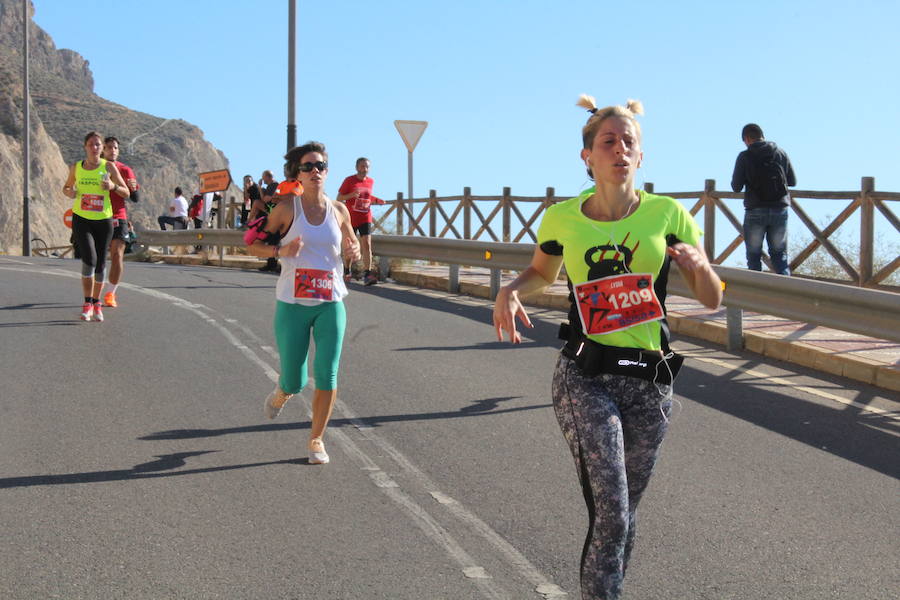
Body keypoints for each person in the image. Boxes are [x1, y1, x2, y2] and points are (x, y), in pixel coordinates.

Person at [493, 95, 722, 600]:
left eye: (629, 143)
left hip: (650, 383)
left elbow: (710, 298)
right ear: (588, 157)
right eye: (609, 142)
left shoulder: (668, 214)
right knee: (613, 510)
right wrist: (510, 290)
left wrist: (700, 270)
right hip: (586, 377)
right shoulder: (561, 219)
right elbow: (542, 272)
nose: (620, 149)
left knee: (623, 515)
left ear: (642, 157)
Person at [245, 141, 360, 465]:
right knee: (295, 380)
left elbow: (355, 251)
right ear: (297, 173)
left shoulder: (339, 210)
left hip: (330, 301)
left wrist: (355, 255)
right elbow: (254, 246)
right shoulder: (285, 209)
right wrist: (281, 251)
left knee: (327, 373)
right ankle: (282, 392)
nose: (315, 172)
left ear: (327, 171)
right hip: (292, 304)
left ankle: (316, 439)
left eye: (320, 166)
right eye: (308, 167)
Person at [61, 131, 130, 322]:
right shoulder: (76, 167)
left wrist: (113, 187)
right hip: (82, 219)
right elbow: (65, 188)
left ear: (102, 148)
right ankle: (86, 303)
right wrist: (71, 192)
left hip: (104, 221)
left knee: (100, 263)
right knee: (89, 259)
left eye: (98, 145)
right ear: (85, 147)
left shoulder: (108, 167)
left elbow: (126, 192)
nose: (95, 148)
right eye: (91, 144)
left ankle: (96, 302)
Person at [730, 123, 797, 275]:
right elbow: (792, 181)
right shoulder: (780, 153)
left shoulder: (745, 156)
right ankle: (785, 294)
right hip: (780, 209)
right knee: (780, 256)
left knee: (754, 256)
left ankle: (755, 295)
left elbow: (736, 186)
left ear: (747, 139)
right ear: (762, 135)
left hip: (755, 210)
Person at [99, 136, 140, 308]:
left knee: (117, 254)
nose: (112, 150)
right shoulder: (95, 167)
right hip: (98, 216)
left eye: (115, 147)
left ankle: (110, 294)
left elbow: (135, 198)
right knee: (98, 258)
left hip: (119, 216)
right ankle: (94, 292)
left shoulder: (125, 169)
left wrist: (133, 187)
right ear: (103, 150)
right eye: (109, 147)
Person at [337, 157, 385, 285]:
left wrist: (377, 200)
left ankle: (367, 274)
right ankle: (347, 270)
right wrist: (351, 195)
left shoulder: (370, 181)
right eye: (363, 166)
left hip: (365, 216)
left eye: (367, 167)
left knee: (367, 244)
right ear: (357, 167)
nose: (365, 169)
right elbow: (339, 198)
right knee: (349, 245)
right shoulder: (349, 180)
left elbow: (368, 196)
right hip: (351, 218)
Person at [250, 170, 282, 272]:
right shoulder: (270, 186)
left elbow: (265, 200)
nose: (263, 180)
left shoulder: (274, 185)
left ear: (268, 177)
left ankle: (273, 264)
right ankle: (271, 264)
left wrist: (259, 187)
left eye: (264, 178)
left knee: (273, 240)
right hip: (273, 214)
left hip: (275, 214)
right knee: (272, 241)